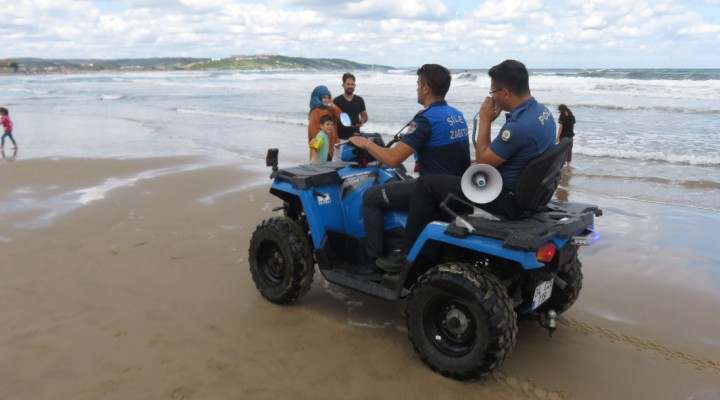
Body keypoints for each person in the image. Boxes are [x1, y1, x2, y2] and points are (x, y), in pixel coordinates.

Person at [385, 59, 557, 272]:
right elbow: (502, 156)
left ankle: (409, 256)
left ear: (505, 93)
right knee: (464, 171)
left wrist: (485, 120)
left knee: (426, 184)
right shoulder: (542, 112)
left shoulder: (518, 127)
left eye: (493, 92)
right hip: (527, 192)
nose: (492, 97)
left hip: (506, 197)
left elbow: (483, 159)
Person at [347, 64, 470, 270]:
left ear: (426, 88)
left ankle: (374, 260)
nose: (416, 88)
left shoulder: (426, 120)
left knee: (371, 196)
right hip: (458, 189)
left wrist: (365, 144)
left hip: (432, 192)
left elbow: (392, 159)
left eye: (418, 84)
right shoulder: (457, 115)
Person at [332, 73, 368, 161]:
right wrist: (336, 138)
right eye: (348, 84)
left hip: (356, 138)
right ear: (343, 85)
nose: (350, 86)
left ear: (355, 85)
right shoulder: (337, 101)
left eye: (352, 84)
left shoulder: (359, 100)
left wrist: (362, 121)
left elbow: (364, 115)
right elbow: (333, 122)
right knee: (338, 163)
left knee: (355, 163)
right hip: (341, 138)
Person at [307, 85, 341, 161]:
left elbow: (339, 115)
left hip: (329, 148)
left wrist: (331, 103)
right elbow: (313, 132)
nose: (327, 100)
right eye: (324, 98)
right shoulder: (315, 111)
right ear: (318, 98)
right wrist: (317, 150)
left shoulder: (328, 109)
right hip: (321, 149)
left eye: (328, 97)